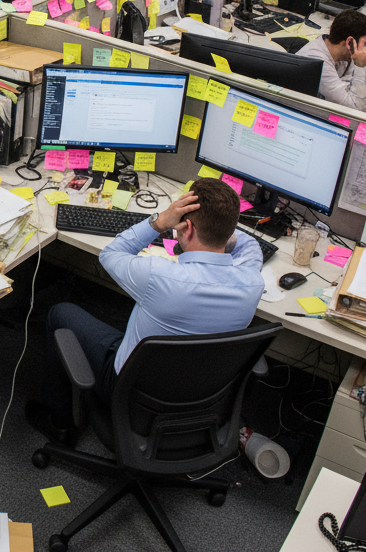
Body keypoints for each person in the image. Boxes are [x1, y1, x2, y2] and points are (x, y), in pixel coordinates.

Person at [26, 179, 265, 443]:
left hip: (130, 398)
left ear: (187, 228)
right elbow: (251, 246)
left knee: (60, 313)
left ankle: (60, 425)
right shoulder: (252, 281)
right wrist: (220, 222)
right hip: (204, 399)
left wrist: (160, 221)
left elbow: (110, 254)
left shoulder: (158, 275)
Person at [298, 9, 366, 110]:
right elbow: (355, 107)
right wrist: (360, 66)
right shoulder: (317, 61)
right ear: (349, 43)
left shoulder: (346, 53)